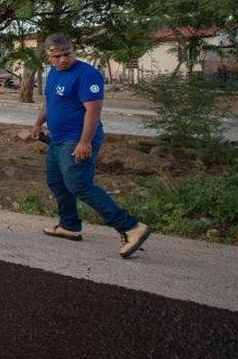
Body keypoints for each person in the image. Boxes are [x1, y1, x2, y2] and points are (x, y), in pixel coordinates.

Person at [32, 34, 151, 258]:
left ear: (73, 51)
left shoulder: (87, 75)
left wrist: (85, 141)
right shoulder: (54, 74)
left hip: (76, 140)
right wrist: (39, 123)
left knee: (78, 184)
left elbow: (93, 110)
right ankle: (69, 225)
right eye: (57, 56)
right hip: (57, 139)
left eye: (67, 54)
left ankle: (130, 227)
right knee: (57, 182)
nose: (63, 60)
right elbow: (49, 102)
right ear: (49, 56)